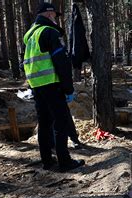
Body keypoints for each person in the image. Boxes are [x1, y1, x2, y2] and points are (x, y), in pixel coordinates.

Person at [23, 3, 85, 171]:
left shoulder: (30, 35)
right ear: (48, 14)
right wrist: (68, 89)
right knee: (61, 122)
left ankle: (47, 161)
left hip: (37, 86)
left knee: (44, 123)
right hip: (52, 83)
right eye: (54, 15)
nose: (56, 19)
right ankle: (65, 162)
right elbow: (62, 62)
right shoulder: (49, 32)